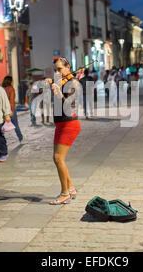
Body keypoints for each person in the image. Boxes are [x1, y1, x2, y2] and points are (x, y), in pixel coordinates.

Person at [45, 57, 81, 205]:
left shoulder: (74, 84)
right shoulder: (61, 83)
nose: (57, 72)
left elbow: (69, 106)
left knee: (59, 158)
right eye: (55, 70)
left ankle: (64, 193)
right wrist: (52, 86)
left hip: (69, 124)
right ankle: (71, 188)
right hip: (60, 124)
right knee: (57, 159)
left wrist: (59, 93)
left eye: (60, 69)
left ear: (68, 68)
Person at [2, 75, 24, 143]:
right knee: (15, 125)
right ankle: (20, 138)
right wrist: (11, 111)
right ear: (10, 81)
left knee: (1, 126)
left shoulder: (2, 89)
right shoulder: (11, 89)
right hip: (10, 109)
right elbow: (12, 101)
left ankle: (2, 140)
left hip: (3, 109)